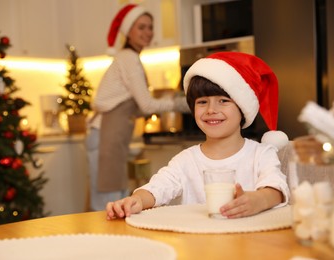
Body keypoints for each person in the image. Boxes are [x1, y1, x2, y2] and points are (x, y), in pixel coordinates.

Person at [106, 51, 290, 220]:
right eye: (202, 102)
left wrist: (258, 200)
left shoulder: (261, 154)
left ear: (243, 108)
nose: (211, 110)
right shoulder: (185, 161)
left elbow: (276, 188)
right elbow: (157, 189)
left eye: (223, 101)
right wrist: (136, 200)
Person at [85, 4, 189, 211]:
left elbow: (138, 107)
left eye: (150, 27)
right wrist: (182, 104)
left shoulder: (129, 58)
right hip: (106, 133)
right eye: (141, 27)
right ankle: (106, 242)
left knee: (112, 195)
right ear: (128, 30)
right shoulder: (128, 58)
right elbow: (147, 104)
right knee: (108, 199)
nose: (148, 33)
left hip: (109, 133)